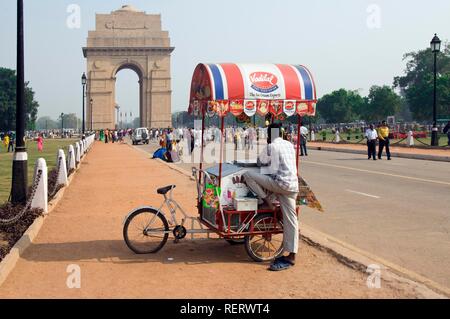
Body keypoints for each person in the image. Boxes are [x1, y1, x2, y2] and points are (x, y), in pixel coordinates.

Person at [242, 123, 299, 271]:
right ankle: (292, 255)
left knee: (248, 175)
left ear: (269, 135)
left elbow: (260, 162)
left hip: (279, 184)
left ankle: (267, 202)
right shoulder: (289, 144)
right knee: (291, 220)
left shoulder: (271, 147)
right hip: (292, 185)